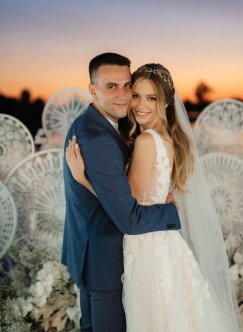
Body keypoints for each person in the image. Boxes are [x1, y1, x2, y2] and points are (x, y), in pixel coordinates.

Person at [67, 63, 242, 331]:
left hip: (147, 249)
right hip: (165, 244)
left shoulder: (146, 141)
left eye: (151, 98)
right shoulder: (167, 138)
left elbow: (127, 207)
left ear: (166, 102)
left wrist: (84, 180)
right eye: (136, 95)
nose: (139, 105)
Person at [61, 53, 181, 332]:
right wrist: (171, 211)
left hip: (102, 254)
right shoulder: (98, 137)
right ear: (92, 89)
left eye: (127, 85)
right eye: (111, 86)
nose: (124, 95)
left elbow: (116, 192)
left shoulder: (109, 127)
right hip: (104, 260)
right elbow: (128, 218)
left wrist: (84, 180)